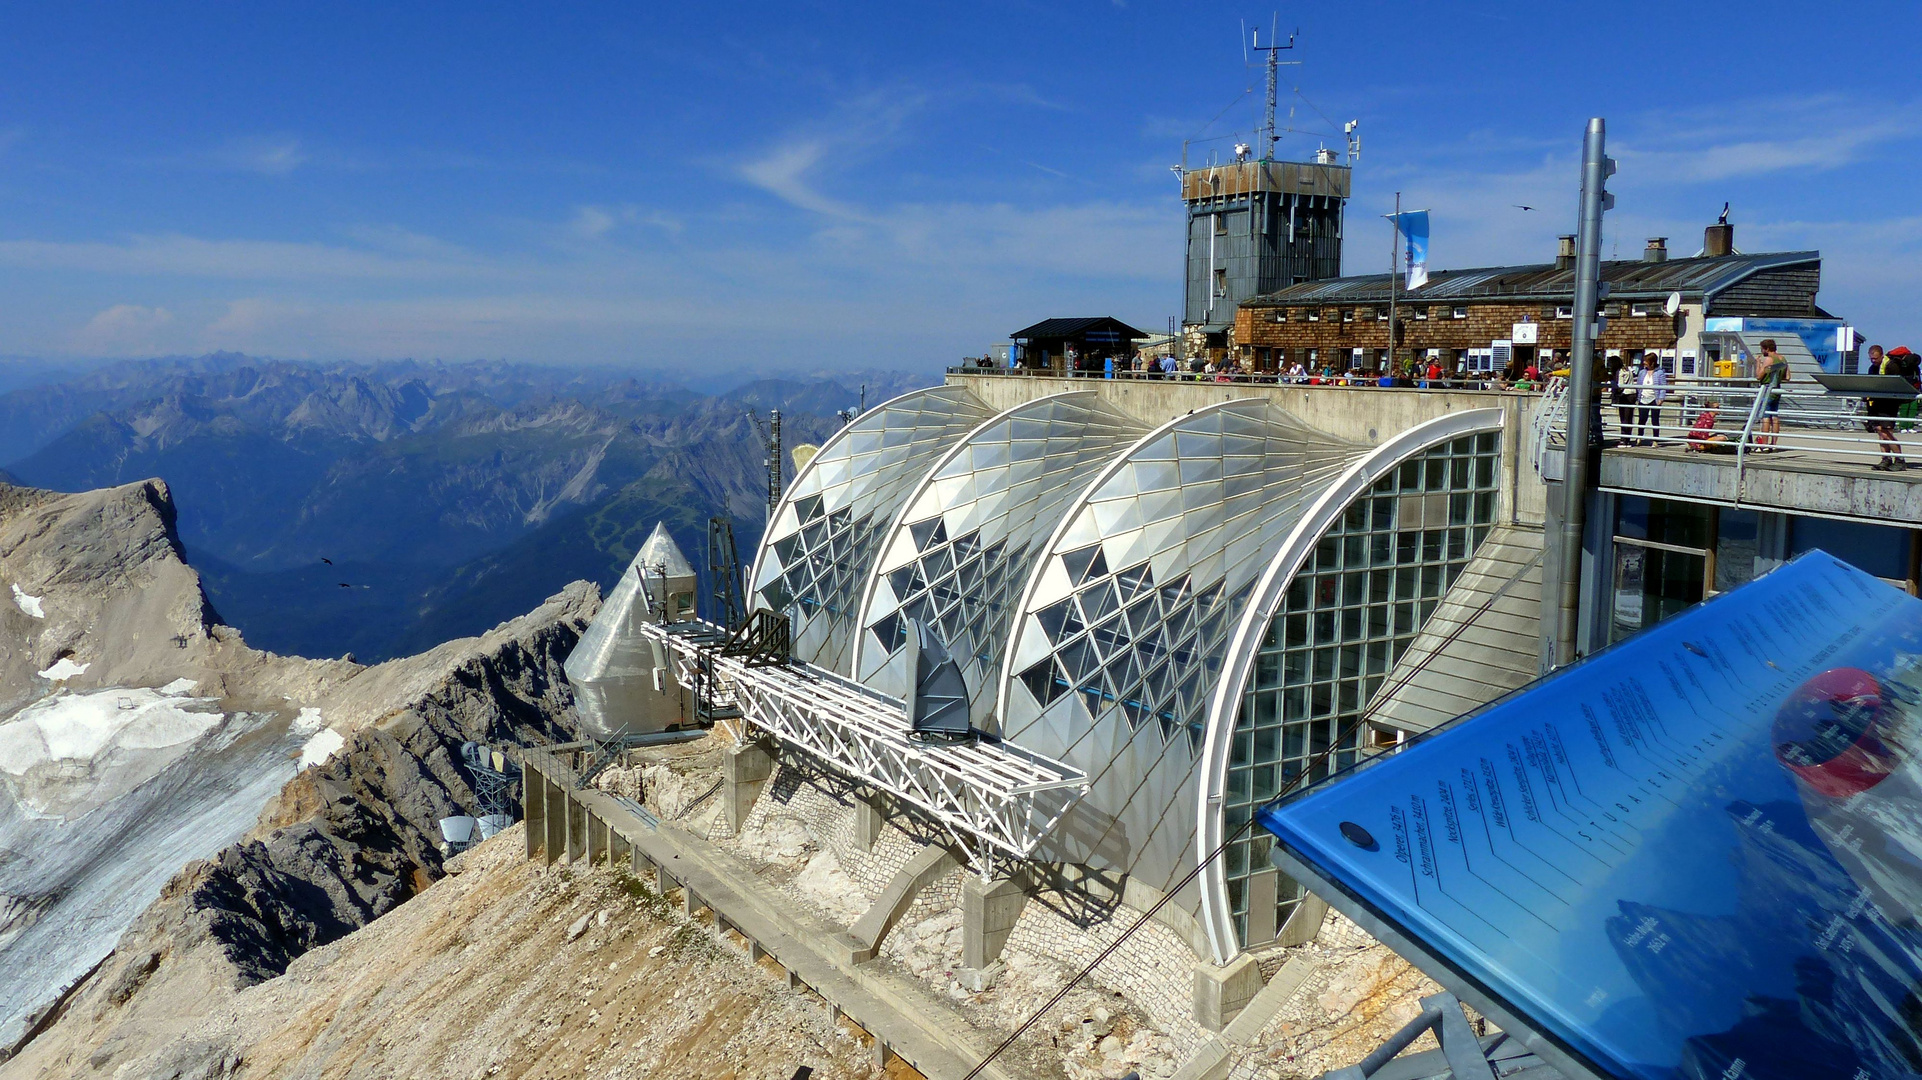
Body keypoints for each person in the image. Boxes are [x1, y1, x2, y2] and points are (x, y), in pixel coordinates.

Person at [1866, 345, 1907, 471]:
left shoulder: (1891, 366)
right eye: (1871, 359)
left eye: (1875, 358)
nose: (1873, 361)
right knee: (1880, 432)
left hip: (1889, 403)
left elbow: (1895, 384)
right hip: (1876, 403)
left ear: (1882, 355)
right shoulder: (1873, 368)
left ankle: (1900, 460)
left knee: (1886, 432)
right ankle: (1886, 459)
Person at [1754, 338, 1788, 450]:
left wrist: (1758, 363)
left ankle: (1763, 444)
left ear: (1767, 349)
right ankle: (1773, 444)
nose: (1762, 351)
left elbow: (1759, 376)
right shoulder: (1782, 359)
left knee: (1766, 417)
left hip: (1767, 389)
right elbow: (1787, 377)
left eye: (1762, 349)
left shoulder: (1769, 359)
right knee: (1775, 417)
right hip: (1777, 389)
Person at [1634, 354, 1669, 445]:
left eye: (1646, 361)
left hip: (1654, 398)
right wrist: (1638, 396)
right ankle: (1639, 437)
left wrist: (1661, 398)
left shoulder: (1659, 372)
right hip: (1643, 398)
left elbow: (1663, 386)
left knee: (1655, 420)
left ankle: (1655, 439)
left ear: (1652, 362)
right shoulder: (1642, 372)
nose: (1644, 363)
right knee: (1642, 419)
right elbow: (1638, 385)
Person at [1610, 356, 1636, 445]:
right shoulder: (1628, 368)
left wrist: (1614, 393)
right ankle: (1627, 439)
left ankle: (1624, 440)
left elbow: (1620, 386)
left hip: (1625, 395)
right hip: (1632, 393)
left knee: (1624, 417)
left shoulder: (1620, 371)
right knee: (1629, 417)